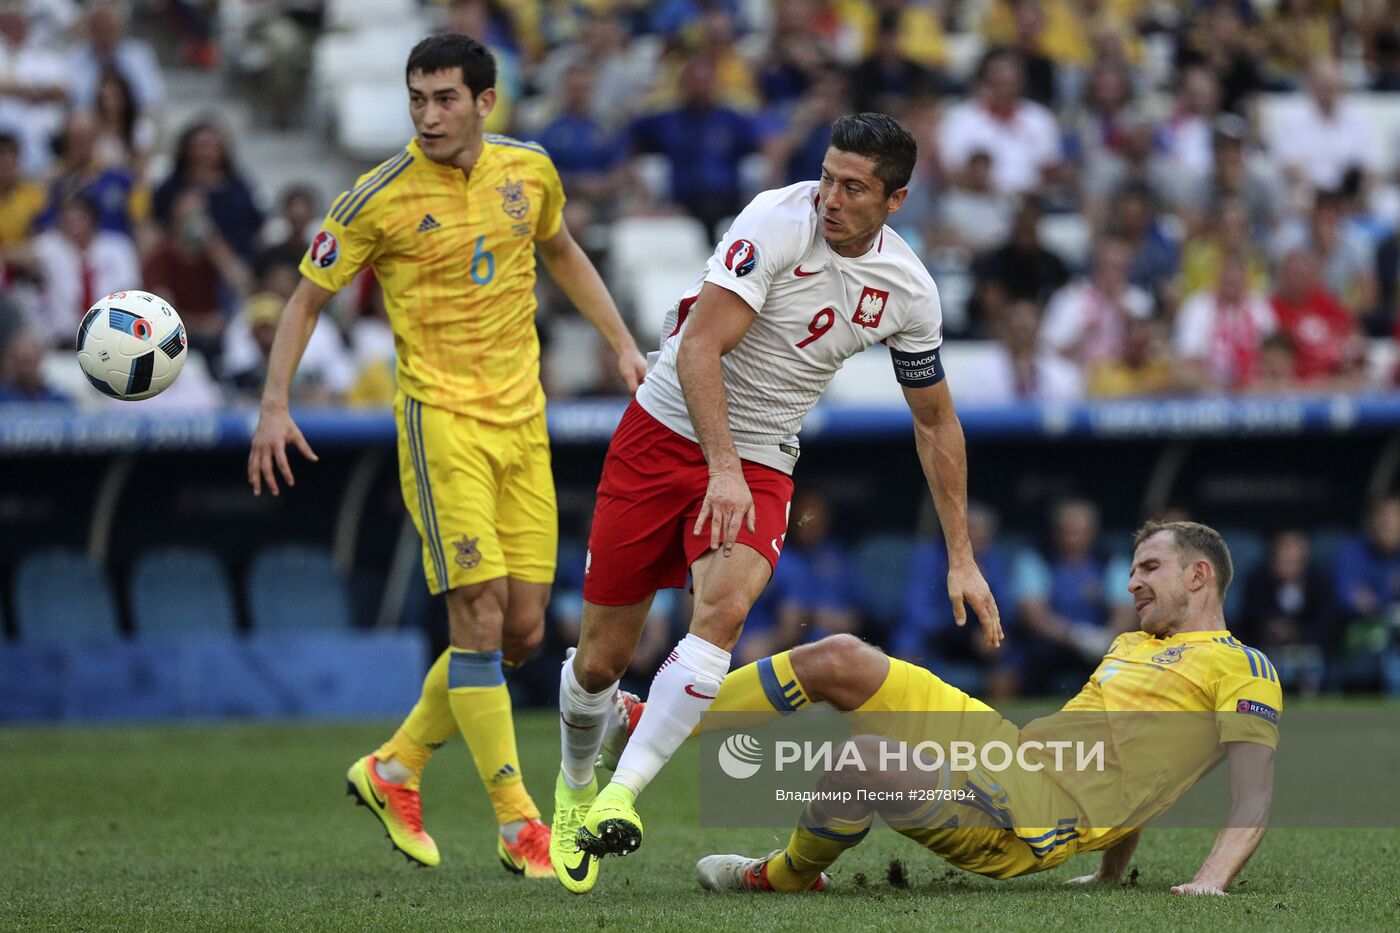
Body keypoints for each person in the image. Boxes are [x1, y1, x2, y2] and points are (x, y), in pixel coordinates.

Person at [551, 112, 1000, 894]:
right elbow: (696, 346)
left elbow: (936, 422)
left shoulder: (910, 291)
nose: (831, 197)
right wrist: (716, 465)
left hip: (763, 457)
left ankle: (621, 797)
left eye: (853, 187)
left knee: (721, 614)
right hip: (664, 433)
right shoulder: (774, 219)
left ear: (895, 199)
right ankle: (576, 781)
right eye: (827, 176)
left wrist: (962, 555)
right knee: (599, 661)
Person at [245, 34, 647, 879]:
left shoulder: (529, 171)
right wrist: (274, 405)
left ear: (484, 102)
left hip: (523, 424)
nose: (428, 115)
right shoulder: (374, 198)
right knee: (479, 612)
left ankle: (394, 767)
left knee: (524, 632)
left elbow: (563, 249)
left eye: (445, 99)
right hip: (442, 426)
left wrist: (621, 343)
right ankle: (519, 822)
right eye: (417, 99)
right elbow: (305, 302)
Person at [683, 521, 1280, 896]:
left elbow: (1251, 795)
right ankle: (653, 721)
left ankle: (784, 875)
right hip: (1006, 752)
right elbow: (1140, 758)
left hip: (1025, 821)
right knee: (837, 658)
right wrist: (1110, 871)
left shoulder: (1242, 668)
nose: (1131, 583)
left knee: (861, 762)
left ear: (1200, 575)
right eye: (1132, 570)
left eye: (1149, 568)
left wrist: (1207, 884)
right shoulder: (1132, 645)